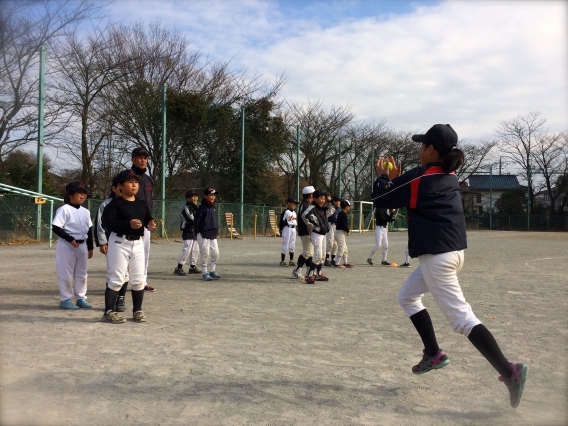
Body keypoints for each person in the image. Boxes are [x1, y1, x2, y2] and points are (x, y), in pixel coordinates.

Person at [371, 124, 528, 408]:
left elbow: (381, 200)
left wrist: (383, 177)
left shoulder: (423, 177)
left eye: (422, 146)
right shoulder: (449, 174)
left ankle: (509, 371)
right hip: (453, 252)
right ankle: (433, 353)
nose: (419, 150)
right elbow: (402, 195)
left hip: (438, 256)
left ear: (431, 150)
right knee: (407, 297)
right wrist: (396, 181)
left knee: (463, 320)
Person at [101, 170, 156, 324]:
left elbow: (148, 220)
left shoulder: (141, 203)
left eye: (136, 182)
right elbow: (108, 223)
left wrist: (150, 224)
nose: (134, 185)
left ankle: (137, 310)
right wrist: (127, 224)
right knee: (117, 278)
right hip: (119, 242)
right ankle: (108, 312)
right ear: (120, 186)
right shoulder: (114, 204)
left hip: (137, 243)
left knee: (138, 279)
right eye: (130, 182)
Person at [51, 181, 94, 310]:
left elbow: (89, 229)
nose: (82, 195)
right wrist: (69, 238)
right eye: (79, 193)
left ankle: (81, 298)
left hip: (82, 245)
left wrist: (90, 247)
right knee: (66, 273)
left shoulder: (85, 211)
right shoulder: (64, 209)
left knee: (82, 273)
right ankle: (65, 299)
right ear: (70, 195)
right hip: (67, 245)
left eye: (84, 193)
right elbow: (56, 227)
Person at [94, 176, 129, 312]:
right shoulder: (106, 204)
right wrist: (102, 242)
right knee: (113, 272)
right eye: (118, 186)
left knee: (126, 272)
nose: (121, 188)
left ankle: (121, 298)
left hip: (130, 242)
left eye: (123, 185)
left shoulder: (133, 203)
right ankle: (111, 301)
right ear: (113, 188)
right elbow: (100, 225)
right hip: (112, 242)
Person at [131, 146, 155, 292]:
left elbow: (149, 201)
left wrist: (150, 218)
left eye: (145, 158)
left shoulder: (147, 179)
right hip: (130, 223)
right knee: (129, 254)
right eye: (140, 157)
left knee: (144, 253)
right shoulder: (128, 177)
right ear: (133, 159)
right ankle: (124, 281)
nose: (143, 160)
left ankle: (141, 281)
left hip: (145, 223)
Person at [301, 189, 330, 284]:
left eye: (324, 199)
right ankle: (310, 275)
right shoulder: (312, 208)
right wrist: (312, 226)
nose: (323, 200)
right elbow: (304, 215)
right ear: (315, 198)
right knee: (317, 254)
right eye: (321, 198)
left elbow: (331, 211)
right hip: (316, 234)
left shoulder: (323, 209)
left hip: (323, 234)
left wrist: (331, 202)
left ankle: (319, 273)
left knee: (323, 255)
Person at [194, 187, 221, 281]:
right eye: (211, 195)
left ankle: (213, 271)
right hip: (203, 233)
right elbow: (196, 222)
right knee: (205, 253)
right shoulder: (201, 208)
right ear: (205, 196)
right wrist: (197, 232)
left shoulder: (213, 207)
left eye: (214, 195)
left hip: (212, 233)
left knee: (216, 253)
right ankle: (205, 272)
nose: (213, 197)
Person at [174, 190, 201, 275]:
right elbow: (190, 219)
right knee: (187, 249)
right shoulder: (186, 208)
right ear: (188, 199)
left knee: (195, 249)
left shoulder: (197, 208)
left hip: (196, 231)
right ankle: (179, 267)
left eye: (196, 196)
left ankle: (192, 267)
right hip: (188, 230)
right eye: (193, 196)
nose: (195, 198)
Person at [291, 186, 315, 279]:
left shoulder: (306, 204)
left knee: (310, 252)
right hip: (306, 231)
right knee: (307, 252)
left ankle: (309, 271)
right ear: (311, 195)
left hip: (306, 230)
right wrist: (310, 229)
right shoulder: (305, 205)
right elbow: (306, 219)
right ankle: (297, 269)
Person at [334, 199, 354, 268]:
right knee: (342, 248)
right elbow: (344, 225)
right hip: (339, 232)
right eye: (349, 206)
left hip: (340, 232)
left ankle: (345, 262)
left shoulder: (342, 214)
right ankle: (337, 263)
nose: (349, 208)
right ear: (346, 207)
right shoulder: (343, 214)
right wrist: (347, 230)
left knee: (345, 248)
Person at [279, 198, 298, 266]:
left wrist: (295, 229)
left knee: (292, 244)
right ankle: (282, 260)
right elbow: (282, 221)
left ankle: (291, 260)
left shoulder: (294, 213)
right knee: (286, 244)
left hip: (293, 228)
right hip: (287, 228)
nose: (294, 205)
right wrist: (280, 229)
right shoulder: (286, 212)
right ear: (288, 203)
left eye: (295, 204)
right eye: (293, 203)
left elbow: (294, 222)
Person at [324, 195, 340, 266]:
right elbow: (328, 205)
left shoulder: (337, 210)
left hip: (336, 226)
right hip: (329, 225)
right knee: (329, 241)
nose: (339, 203)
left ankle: (333, 258)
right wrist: (330, 200)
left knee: (335, 243)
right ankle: (326, 258)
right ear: (334, 201)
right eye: (338, 201)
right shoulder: (329, 207)